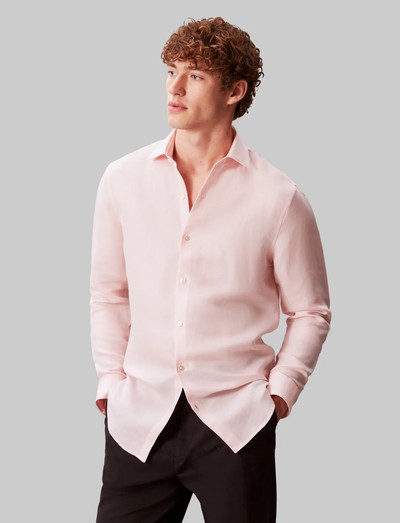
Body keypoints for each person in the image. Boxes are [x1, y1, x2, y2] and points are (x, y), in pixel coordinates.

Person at [90, 16, 331, 523]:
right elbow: (110, 293)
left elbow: (310, 310)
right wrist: (110, 382)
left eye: (195, 75)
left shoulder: (278, 198)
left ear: (234, 92)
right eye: (171, 71)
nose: (174, 88)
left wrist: (280, 394)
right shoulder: (122, 180)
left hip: (235, 424)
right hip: (139, 421)